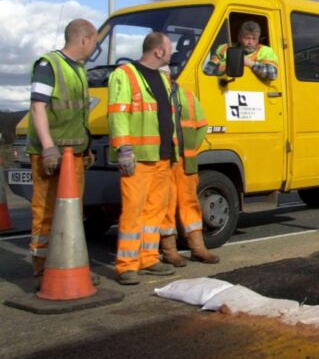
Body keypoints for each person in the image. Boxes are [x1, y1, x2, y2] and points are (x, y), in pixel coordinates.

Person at [27, 19, 98, 284]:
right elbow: (38, 107)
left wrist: (86, 147)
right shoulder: (49, 66)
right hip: (51, 155)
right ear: (84, 39)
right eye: (93, 41)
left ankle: (70, 266)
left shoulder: (78, 69)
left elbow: (78, 115)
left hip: (73, 155)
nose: (94, 47)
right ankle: (43, 270)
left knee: (71, 214)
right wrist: (48, 148)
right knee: (45, 213)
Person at [108, 32, 179, 285]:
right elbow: (117, 115)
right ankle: (126, 265)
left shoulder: (163, 77)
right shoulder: (124, 74)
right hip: (138, 158)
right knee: (133, 212)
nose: (172, 54)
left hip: (162, 156)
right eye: (169, 49)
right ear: (158, 51)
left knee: (155, 211)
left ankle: (148, 258)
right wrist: (124, 150)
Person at [158, 80, 219, 266]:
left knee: (189, 203)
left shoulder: (187, 95)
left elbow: (202, 125)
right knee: (166, 205)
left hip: (184, 161)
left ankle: (198, 249)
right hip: (165, 160)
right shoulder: (156, 95)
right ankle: (170, 251)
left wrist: (191, 149)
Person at [203, 21, 278, 80]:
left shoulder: (265, 51)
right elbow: (208, 70)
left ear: (258, 39)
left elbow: (273, 74)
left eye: (254, 39)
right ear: (239, 38)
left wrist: (250, 63)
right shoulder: (224, 48)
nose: (250, 42)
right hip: (220, 87)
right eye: (247, 38)